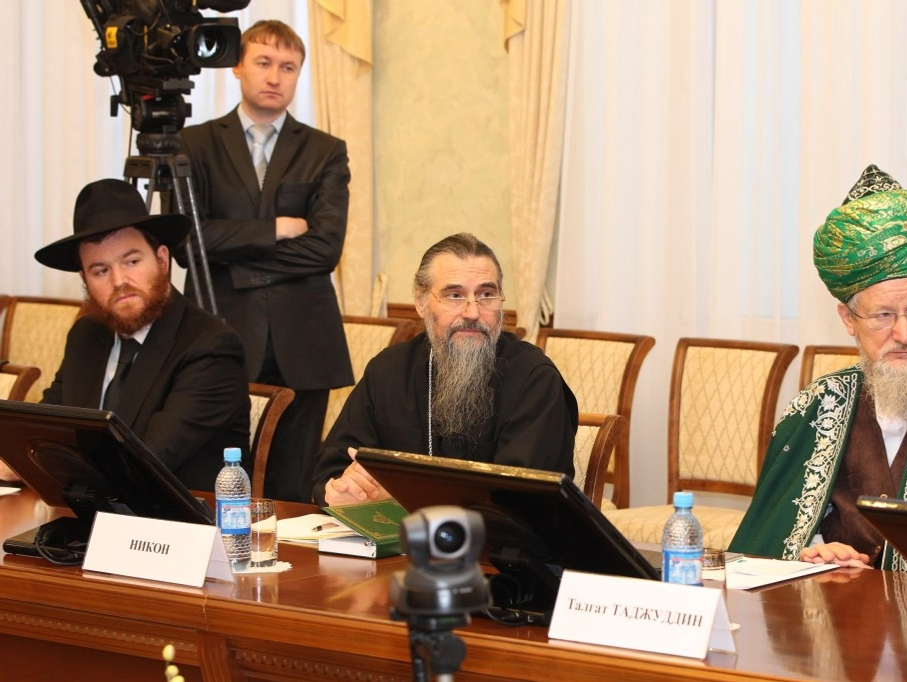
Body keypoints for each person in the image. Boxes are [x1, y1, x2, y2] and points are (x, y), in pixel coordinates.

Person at [728, 165, 907, 570]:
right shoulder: (817, 405)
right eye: (883, 315)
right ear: (848, 320)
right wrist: (819, 551)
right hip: (837, 604)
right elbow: (773, 539)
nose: (904, 333)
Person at [180, 20, 353, 502]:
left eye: (288, 67)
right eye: (263, 62)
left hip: (303, 343)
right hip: (220, 331)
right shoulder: (194, 144)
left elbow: (325, 249)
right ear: (237, 67)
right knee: (215, 480)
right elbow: (188, 243)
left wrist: (234, 261)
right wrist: (275, 228)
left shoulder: (325, 151)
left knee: (292, 488)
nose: (275, 76)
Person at [0, 179, 250, 491]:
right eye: (101, 271)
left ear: (162, 260)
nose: (119, 281)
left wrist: (30, 461)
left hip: (171, 517)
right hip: (86, 511)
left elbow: (144, 461)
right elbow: (46, 428)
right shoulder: (87, 336)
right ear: (85, 280)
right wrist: (18, 456)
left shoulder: (210, 346)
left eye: (131, 262)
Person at [312, 233, 578, 507]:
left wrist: (403, 498)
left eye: (486, 295)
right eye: (454, 295)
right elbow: (331, 469)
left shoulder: (534, 379)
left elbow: (524, 502)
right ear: (421, 302)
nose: (472, 313)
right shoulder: (388, 370)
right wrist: (341, 489)